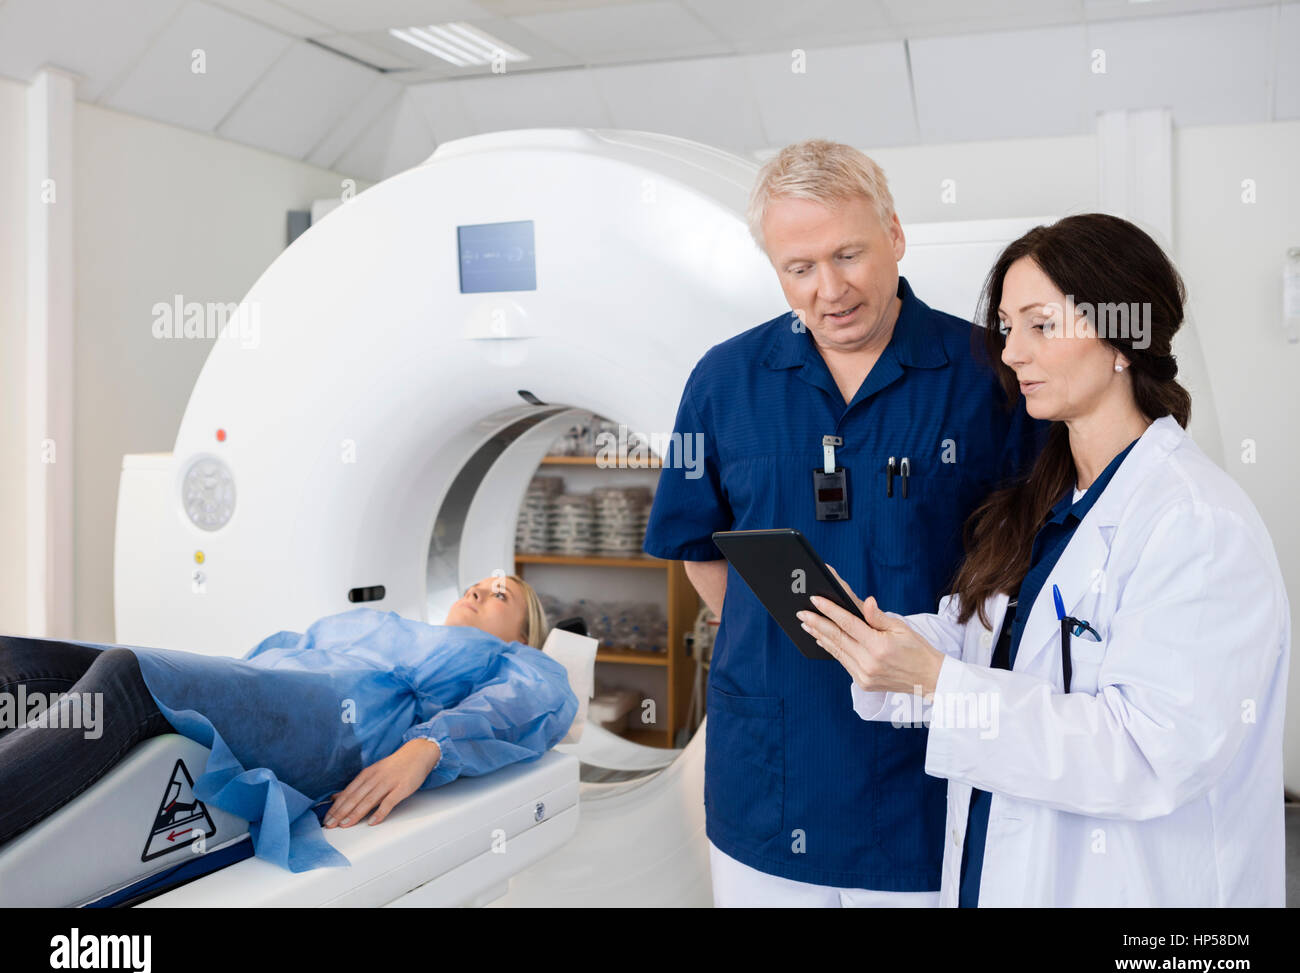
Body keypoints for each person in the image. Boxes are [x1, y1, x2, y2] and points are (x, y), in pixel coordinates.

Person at [798, 213, 1290, 906]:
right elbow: (992, 645)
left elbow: (1148, 754)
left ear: (1123, 339)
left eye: (1041, 325)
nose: (1011, 353)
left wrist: (941, 685)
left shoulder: (1195, 523)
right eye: (1007, 327)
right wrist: (890, 643)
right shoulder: (1046, 501)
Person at [643, 139, 1047, 906]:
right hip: (771, 761)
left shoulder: (989, 373)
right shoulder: (726, 380)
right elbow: (696, 541)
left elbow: (1030, 554)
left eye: (849, 254)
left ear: (894, 234)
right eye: (799, 268)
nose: (830, 289)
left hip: (922, 763)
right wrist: (785, 639)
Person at [0, 574, 577, 873]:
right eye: (479, 581)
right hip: (269, 685)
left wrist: (426, 747)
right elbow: (278, 656)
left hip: (331, 722)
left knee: (128, 680)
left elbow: (532, 702)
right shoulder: (383, 623)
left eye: (503, 593)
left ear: (523, 635)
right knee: (21, 661)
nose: (482, 587)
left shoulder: (516, 662)